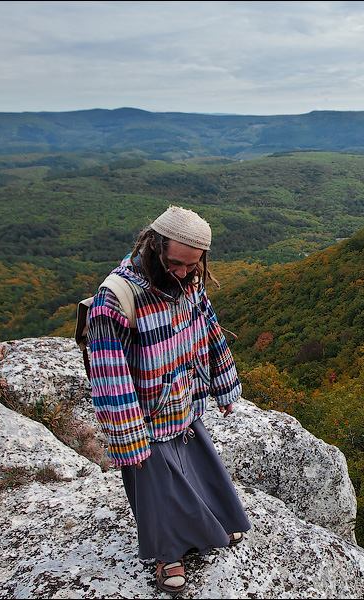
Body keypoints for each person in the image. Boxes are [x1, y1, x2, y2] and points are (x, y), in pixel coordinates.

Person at [87, 205, 251, 594]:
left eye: (191, 266)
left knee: (198, 469)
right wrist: (128, 438)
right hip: (144, 412)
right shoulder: (116, 296)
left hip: (182, 397)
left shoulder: (189, 282)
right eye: (176, 263)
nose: (182, 272)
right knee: (159, 487)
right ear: (154, 245)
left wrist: (225, 386)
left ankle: (208, 526)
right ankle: (168, 557)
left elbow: (209, 328)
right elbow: (109, 374)